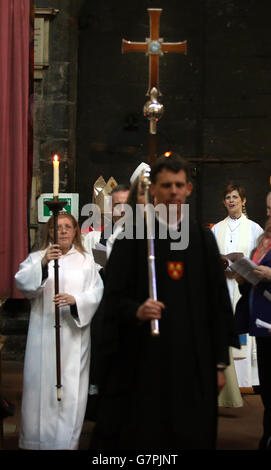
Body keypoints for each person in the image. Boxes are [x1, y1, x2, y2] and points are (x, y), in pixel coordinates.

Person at [89, 153, 239, 450]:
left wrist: (220, 363)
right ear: (152, 190)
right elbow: (113, 301)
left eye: (179, 185)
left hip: (192, 362)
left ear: (188, 189)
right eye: (166, 185)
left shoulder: (201, 238)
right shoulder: (133, 240)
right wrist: (136, 310)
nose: (173, 191)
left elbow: (217, 304)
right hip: (143, 361)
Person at [15, 213, 103, 450]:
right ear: (50, 232)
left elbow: (96, 292)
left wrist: (76, 301)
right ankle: (36, 440)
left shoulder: (86, 260)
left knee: (71, 390)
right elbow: (23, 283)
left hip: (74, 337)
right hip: (43, 334)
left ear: (76, 231)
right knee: (40, 389)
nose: (63, 231)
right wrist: (43, 264)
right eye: (57, 227)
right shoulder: (37, 257)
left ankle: (66, 442)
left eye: (68, 227)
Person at [211, 184, 263, 406]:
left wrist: (243, 270)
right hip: (224, 286)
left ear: (244, 200)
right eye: (227, 197)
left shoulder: (254, 229)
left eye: (235, 197)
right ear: (224, 202)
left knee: (243, 330)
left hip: (244, 288)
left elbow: (261, 260)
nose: (231, 201)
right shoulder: (216, 229)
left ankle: (246, 381)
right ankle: (230, 385)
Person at [235, 218, 271, 449]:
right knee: (268, 387)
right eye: (268, 209)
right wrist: (243, 276)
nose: (269, 215)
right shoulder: (262, 241)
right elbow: (254, 282)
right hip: (261, 322)